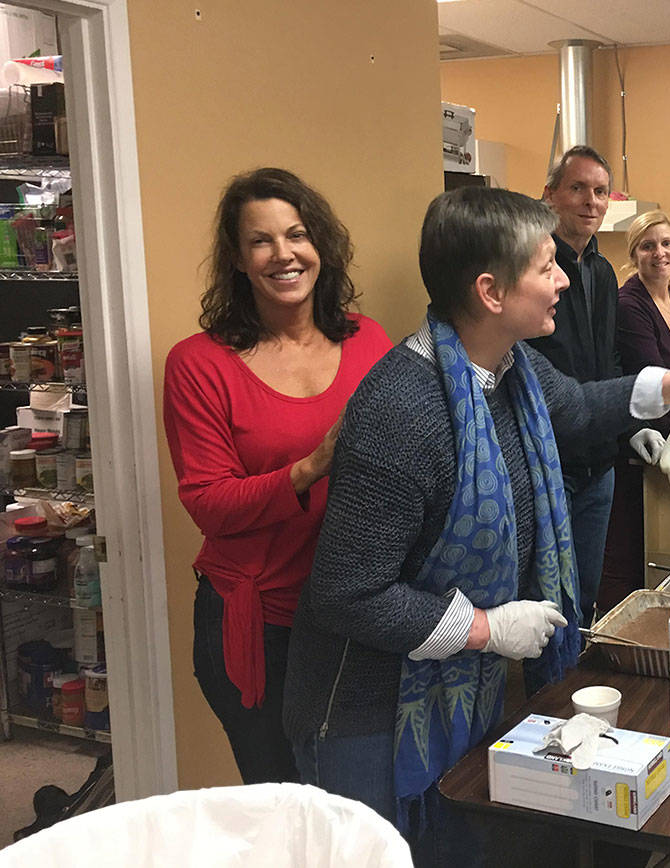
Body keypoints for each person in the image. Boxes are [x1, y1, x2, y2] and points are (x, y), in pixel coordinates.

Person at [281, 187, 670, 860]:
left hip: (452, 687)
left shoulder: (510, 368)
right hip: (363, 712)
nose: (562, 280)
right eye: (546, 266)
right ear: (492, 292)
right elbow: (349, 594)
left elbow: (579, 405)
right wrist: (488, 628)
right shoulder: (401, 412)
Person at [162, 167, 392, 784]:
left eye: (297, 235)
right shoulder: (199, 365)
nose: (283, 254)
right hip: (262, 628)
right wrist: (312, 466)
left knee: (356, 799)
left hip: (357, 614)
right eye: (261, 241)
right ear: (238, 258)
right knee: (284, 805)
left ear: (321, 245)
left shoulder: (370, 340)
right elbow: (209, 504)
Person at [526, 145, 621, 627]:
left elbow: (609, 362)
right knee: (549, 599)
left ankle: (577, 690)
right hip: (550, 460)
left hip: (598, 462)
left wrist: (627, 429)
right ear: (550, 196)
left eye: (600, 191)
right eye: (577, 188)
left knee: (585, 593)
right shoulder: (533, 271)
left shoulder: (603, 273)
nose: (590, 201)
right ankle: (549, 696)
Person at [603, 209, 670, 612]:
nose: (659, 253)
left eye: (666, 243)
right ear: (635, 255)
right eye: (648, 246)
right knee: (629, 546)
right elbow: (651, 376)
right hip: (643, 436)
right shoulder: (630, 304)